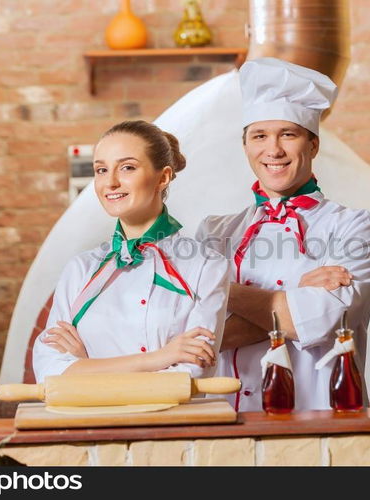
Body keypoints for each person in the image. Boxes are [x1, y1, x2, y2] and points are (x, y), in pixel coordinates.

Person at [196, 58, 370, 411]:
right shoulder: (215, 232)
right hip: (225, 420)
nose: (274, 150)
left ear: (313, 145)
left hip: (318, 418)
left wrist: (216, 290)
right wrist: (294, 296)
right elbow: (197, 336)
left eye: (288, 134)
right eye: (260, 136)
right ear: (246, 147)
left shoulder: (356, 228)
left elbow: (325, 322)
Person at [33, 120, 230, 383]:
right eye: (101, 170)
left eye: (127, 167)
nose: (111, 182)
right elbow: (49, 371)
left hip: (172, 423)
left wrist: (85, 366)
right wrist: (161, 357)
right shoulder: (80, 270)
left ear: (164, 177)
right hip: (90, 423)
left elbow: (191, 374)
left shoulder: (206, 266)